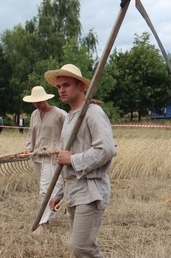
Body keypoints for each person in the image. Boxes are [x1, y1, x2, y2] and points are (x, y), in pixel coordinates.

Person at [45, 64, 117, 257]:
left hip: (90, 190)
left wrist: (73, 159)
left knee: (83, 248)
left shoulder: (92, 112)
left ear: (80, 87)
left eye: (66, 85)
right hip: (74, 190)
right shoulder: (70, 117)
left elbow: (106, 149)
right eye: (59, 86)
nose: (61, 90)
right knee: (81, 250)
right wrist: (58, 193)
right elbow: (64, 160)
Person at [23, 86, 67, 236]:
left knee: (45, 190)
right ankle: (52, 212)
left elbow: (70, 132)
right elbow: (31, 133)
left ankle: (43, 223)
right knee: (45, 188)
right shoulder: (34, 114)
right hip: (37, 156)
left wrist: (65, 150)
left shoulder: (60, 114)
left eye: (39, 101)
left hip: (53, 157)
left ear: (46, 99)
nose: (36, 104)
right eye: (34, 102)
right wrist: (29, 148)